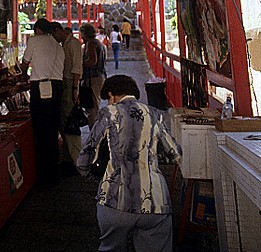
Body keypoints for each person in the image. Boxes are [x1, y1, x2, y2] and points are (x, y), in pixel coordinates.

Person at [77, 75, 182, 252]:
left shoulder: (108, 113)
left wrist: (97, 179)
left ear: (111, 95)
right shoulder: (155, 114)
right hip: (155, 203)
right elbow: (175, 154)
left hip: (114, 202)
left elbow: (84, 158)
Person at [21, 18, 64, 186]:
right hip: (57, 87)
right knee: (53, 129)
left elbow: (25, 63)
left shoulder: (34, 40)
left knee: (40, 130)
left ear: (38, 29)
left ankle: (43, 174)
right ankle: (53, 171)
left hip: (41, 87)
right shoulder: (57, 46)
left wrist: (23, 75)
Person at [49, 21, 83, 174]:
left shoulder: (74, 43)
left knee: (70, 122)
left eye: (54, 35)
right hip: (64, 83)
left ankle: (77, 160)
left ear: (58, 31)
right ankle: (68, 159)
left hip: (70, 84)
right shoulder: (63, 45)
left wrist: (75, 90)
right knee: (64, 121)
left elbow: (76, 68)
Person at [80, 22, 106, 127]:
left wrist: (80, 64)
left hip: (93, 77)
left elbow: (92, 61)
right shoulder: (99, 43)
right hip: (99, 76)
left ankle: (95, 133)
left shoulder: (91, 44)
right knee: (95, 104)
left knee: (92, 107)